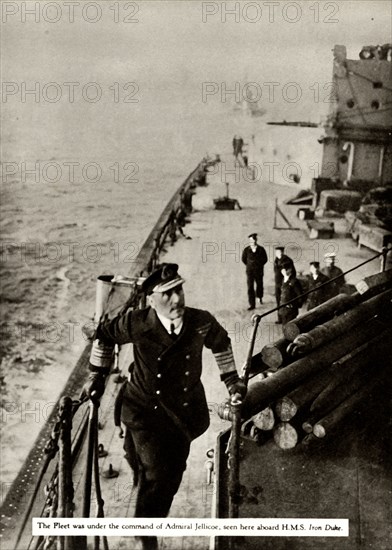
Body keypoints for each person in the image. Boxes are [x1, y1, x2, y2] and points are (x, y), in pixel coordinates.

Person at [83, 263, 246, 550]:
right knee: (157, 473)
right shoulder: (137, 322)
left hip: (183, 415)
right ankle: (146, 532)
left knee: (173, 476)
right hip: (143, 410)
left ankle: (138, 469)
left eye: (179, 290)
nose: (177, 300)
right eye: (167, 294)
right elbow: (104, 334)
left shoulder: (200, 321)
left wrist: (232, 381)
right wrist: (97, 375)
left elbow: (221, 343)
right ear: (151, 299)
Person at [241, 233, 268, 310]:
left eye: (253, 241)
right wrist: (250, 266)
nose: (252, 243)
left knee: (259, 285)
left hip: (259, 271)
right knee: (250, 287)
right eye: (250, 241)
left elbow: (265, 259)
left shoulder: (261, 249)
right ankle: (252, 304)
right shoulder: (246, 250)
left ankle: (259, 296)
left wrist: (258, 265)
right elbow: (244, 259)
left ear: (256, 240)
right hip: (250, 272)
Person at [273, 246, 295, 323]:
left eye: (280, 252)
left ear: (282, 252)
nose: (278, 253)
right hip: (278, 284)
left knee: (285, 301)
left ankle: (286, 318)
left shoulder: (287, 261)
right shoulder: (276, 260)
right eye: (277, 252)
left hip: (284, 284)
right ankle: (280, 318)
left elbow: (291, 272)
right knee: (278, 301)